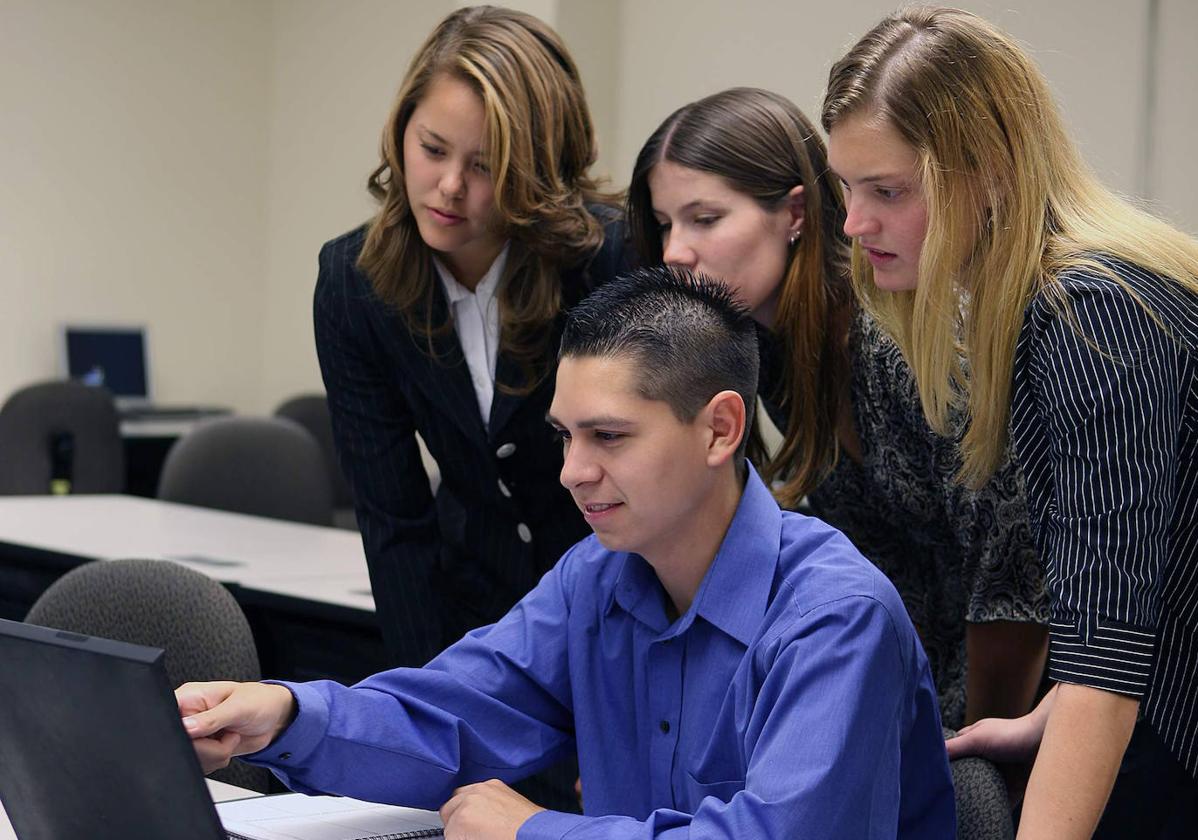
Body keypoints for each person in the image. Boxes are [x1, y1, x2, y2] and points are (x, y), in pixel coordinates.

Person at [177, 266, 955, 839]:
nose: (572, 472)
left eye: (609, 437)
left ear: (721, 428)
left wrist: (532, 833)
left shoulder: (835, 619)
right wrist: (281, 715)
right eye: (566, 435)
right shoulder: (599, 574)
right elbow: (451, 716)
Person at [822, 7, 1198, 837]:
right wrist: (1046, 719)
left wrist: (1071, 712)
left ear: (985, 171)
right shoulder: (1050, 305)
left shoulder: (1094, 316)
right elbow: (1144, 591)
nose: (853, 224)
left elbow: (1109, 651)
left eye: (886, 191)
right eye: (846, 189)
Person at [627, 86, 1047, 730]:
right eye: (664, 223)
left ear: (795, 213)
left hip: (1038, 701)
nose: (675, 251)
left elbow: (1011, 571)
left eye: (704, 219)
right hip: (925, 691)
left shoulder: (886, 332)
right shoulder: (771, 349)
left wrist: (974, 757)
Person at [314, 5, 625, 675]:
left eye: (485, 167)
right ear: (401, 130)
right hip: (472, 620)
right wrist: (435, 712)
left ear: (537, 170)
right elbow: (394, 522)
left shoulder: (610, 263)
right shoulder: (352, 285)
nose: (449, 187)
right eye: (431, 149)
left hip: (620, 620)